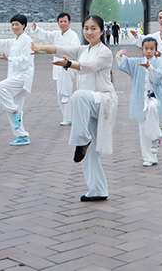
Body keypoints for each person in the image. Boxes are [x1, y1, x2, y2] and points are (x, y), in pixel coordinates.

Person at [34, 15, 117, 202]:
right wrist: (40, 48)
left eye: (94, 28)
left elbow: (89, 67)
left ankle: (82, 139)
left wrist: (69, 64)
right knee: (89, 152)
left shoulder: (104, 52)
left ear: (102, 31)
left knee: (77, 95)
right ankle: (97, 189)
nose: (89, 32)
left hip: (102, 100)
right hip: (84, 106)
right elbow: (60, 48)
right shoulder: (82, 49)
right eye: (86, 28)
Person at [0, 14, 35, 146]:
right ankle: (22, 136)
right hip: (14, 76)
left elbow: (26, 61)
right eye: (12, 24)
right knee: (12, 108)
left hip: (23, 76)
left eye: (17, 24)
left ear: (23, 25)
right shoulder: (15, 41)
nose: (14, 27)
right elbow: (0, 43)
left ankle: (15, 111)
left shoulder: (27, 40)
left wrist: (9, 59)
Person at [115, 38, 162, 166]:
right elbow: (124, 64)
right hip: (140, 100)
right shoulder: (137, 62)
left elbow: (157, 79)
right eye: (146, 48)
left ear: (156, 50)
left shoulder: (159, 64)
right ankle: (149, 158)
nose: (149, 51)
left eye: (151, 49)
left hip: (154, 98)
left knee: (153, 107)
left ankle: (155, 137)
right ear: (142, 49)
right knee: (142, 129)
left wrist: (150, 68)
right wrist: (120, 55)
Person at [30, 13, 80, 126]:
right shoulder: (56, 35)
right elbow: (45, 35)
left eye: (65, 21)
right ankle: (67, 117)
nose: (63, 24)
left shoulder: (73, 36)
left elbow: (74, 50)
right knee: (59, 94)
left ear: (69, 22)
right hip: (57, 66)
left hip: (69, 66)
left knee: (65, 91)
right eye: (61, 22)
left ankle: (68, 99)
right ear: (58, 23)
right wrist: (36, 29)